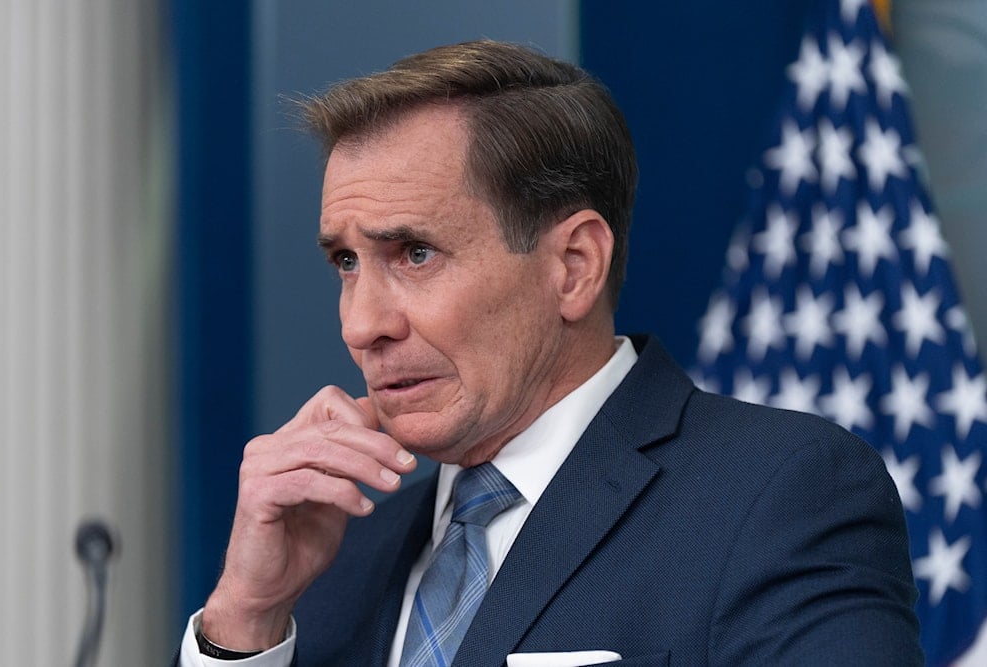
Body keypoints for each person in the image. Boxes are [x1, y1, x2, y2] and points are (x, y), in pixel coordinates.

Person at [177, 40, 922, 666]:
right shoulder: (332, 556)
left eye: (415, 252)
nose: (361, 323)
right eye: (346, 262)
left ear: (573, 266)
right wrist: (244, 620)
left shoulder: (778, 496)